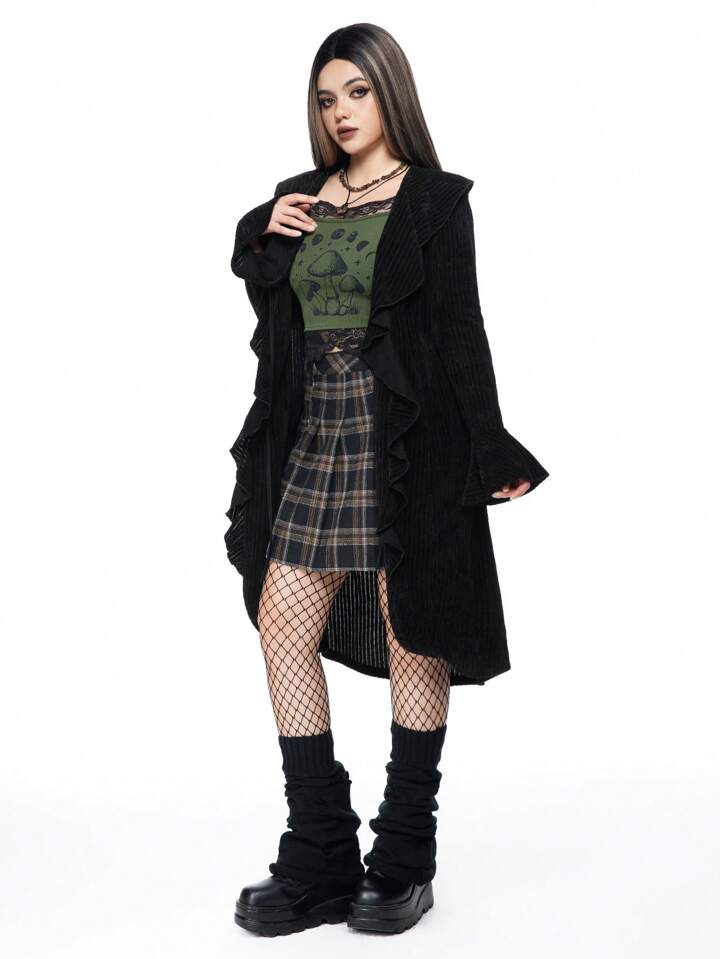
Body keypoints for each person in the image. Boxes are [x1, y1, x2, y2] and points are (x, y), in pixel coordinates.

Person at [226, 23, 550, 937]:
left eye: (357, 92)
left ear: (389, 91)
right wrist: (263, 230)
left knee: (415, 627)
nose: (341, 112)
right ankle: (320, 852)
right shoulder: (298, 199)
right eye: (326, 98)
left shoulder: (435, 201)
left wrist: (489, 447)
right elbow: (265, 293)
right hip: (314, 433)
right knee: (282, 620)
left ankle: (404, 856)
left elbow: (460, 330)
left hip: (408, 436)